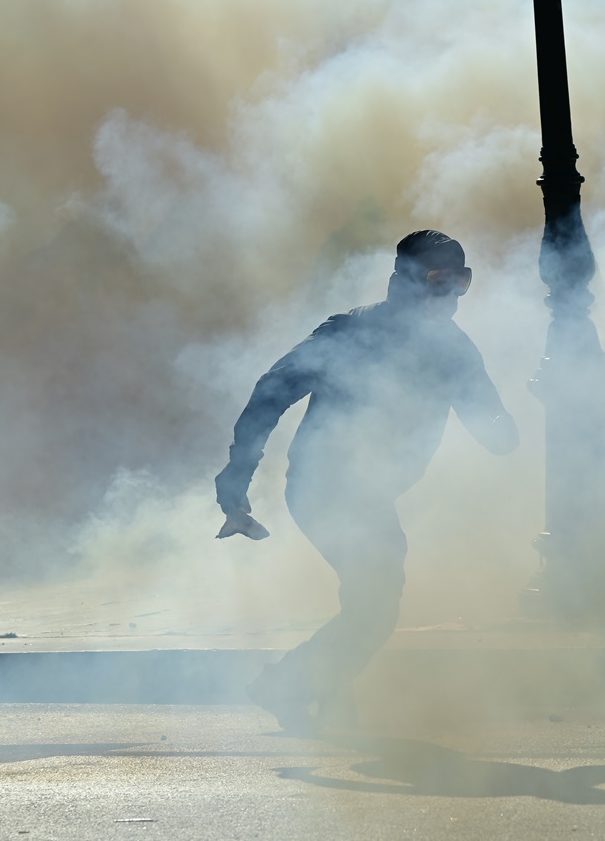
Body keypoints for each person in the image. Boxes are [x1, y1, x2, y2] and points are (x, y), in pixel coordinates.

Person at [214, 230, 518, 730]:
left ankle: (325, 700)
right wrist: (236, 476)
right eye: (439, 280)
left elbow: (493, 426)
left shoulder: (452, 349)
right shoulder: (349, 332)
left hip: (370, 493)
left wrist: (502, 425)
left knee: (370, 599)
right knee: (375, 598)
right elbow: (271, 392)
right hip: (326, 486)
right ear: (403, 280)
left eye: (462, 283)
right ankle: (289, 685)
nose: (451, 295)